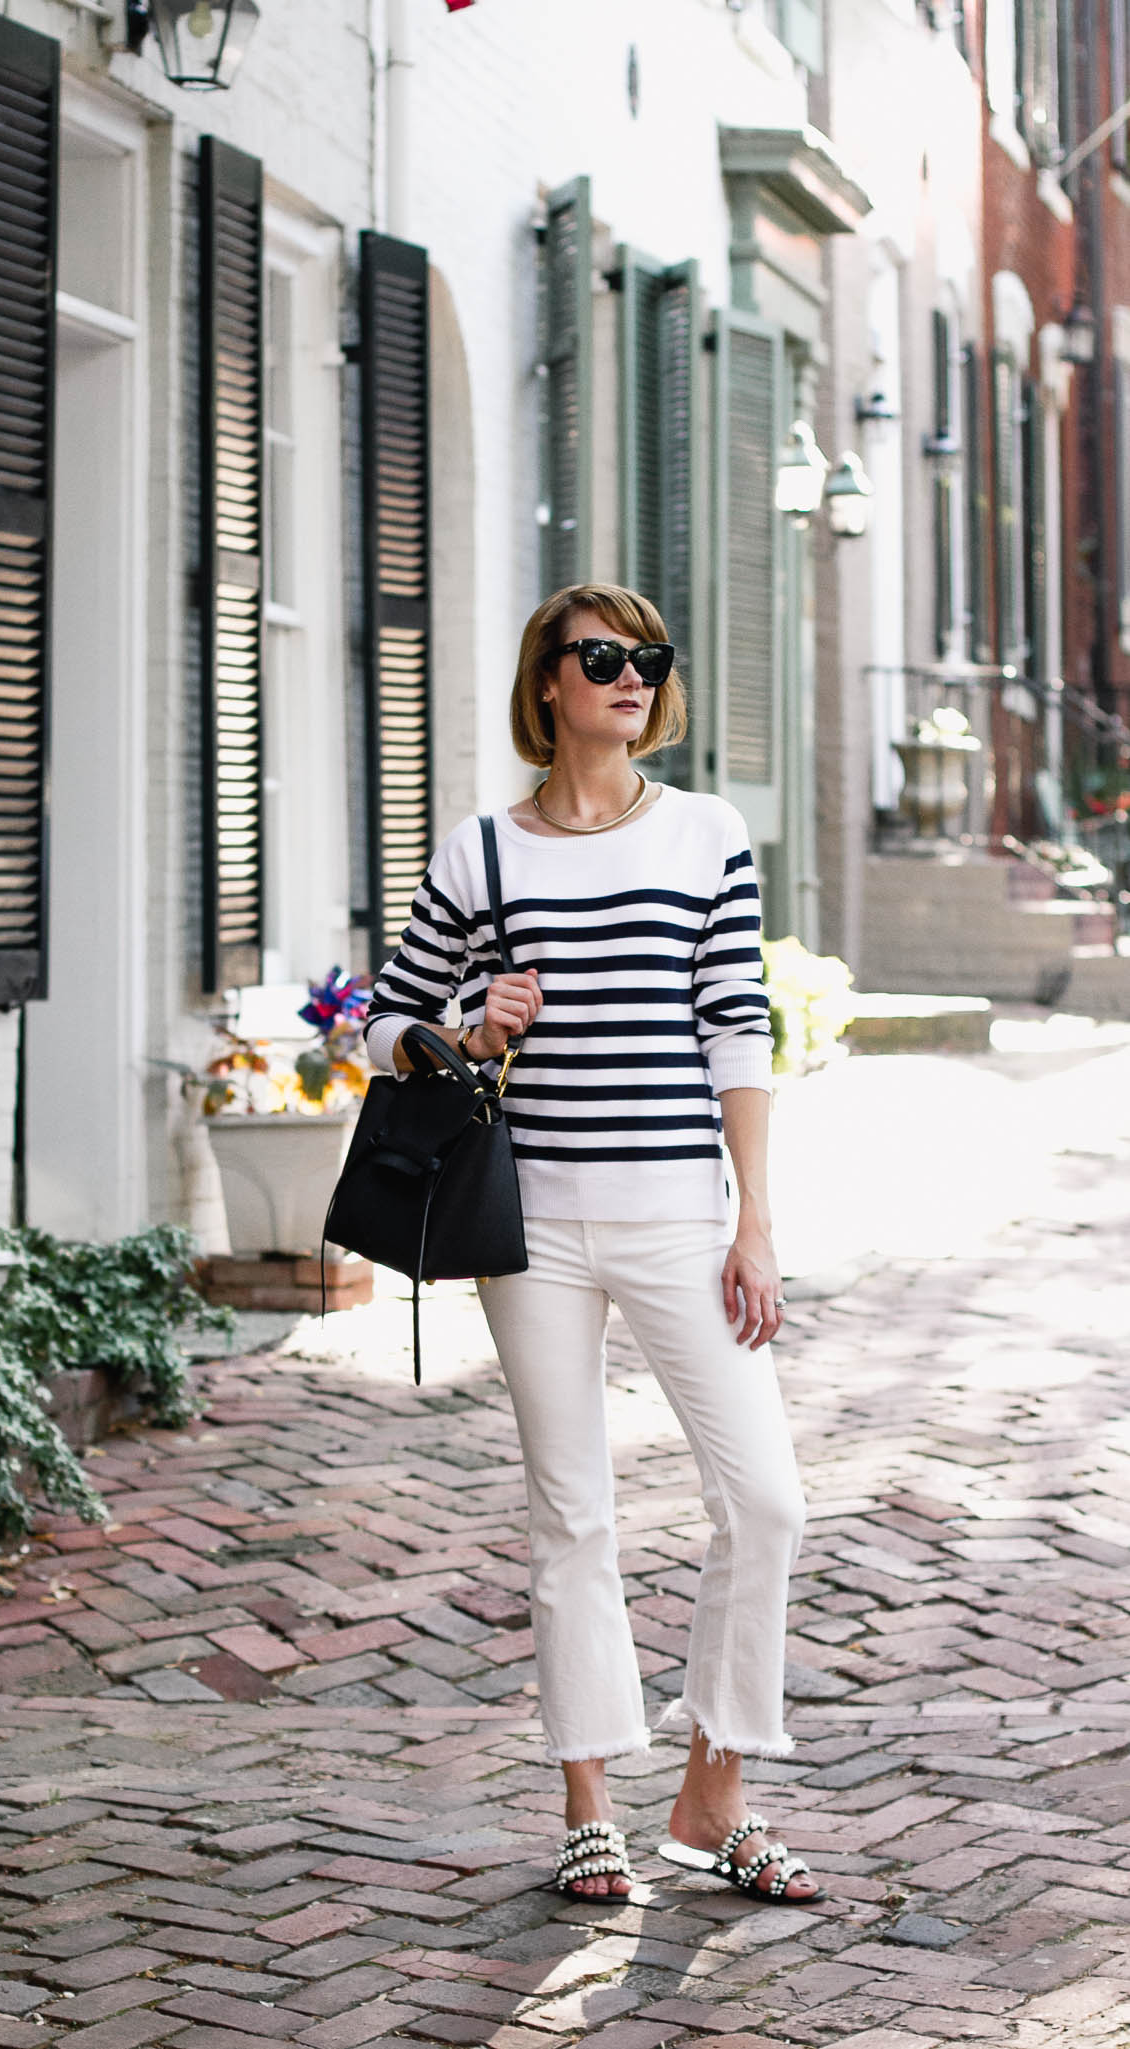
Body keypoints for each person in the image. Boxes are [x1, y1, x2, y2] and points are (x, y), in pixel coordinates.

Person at [363, 583, 821, 1907]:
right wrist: (469, 1021)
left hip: (680, 1209)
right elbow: (380, 1026)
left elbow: (737, 1024)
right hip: (533, 1224)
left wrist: (755, 1217)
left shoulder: (704, 834)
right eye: (600, 657)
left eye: (645, 659)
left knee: (766, 1499)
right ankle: (585, 1803)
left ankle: (712, 1794)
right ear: (548, 683)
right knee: (572, 1512)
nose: (629, 677)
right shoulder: (481, 854)